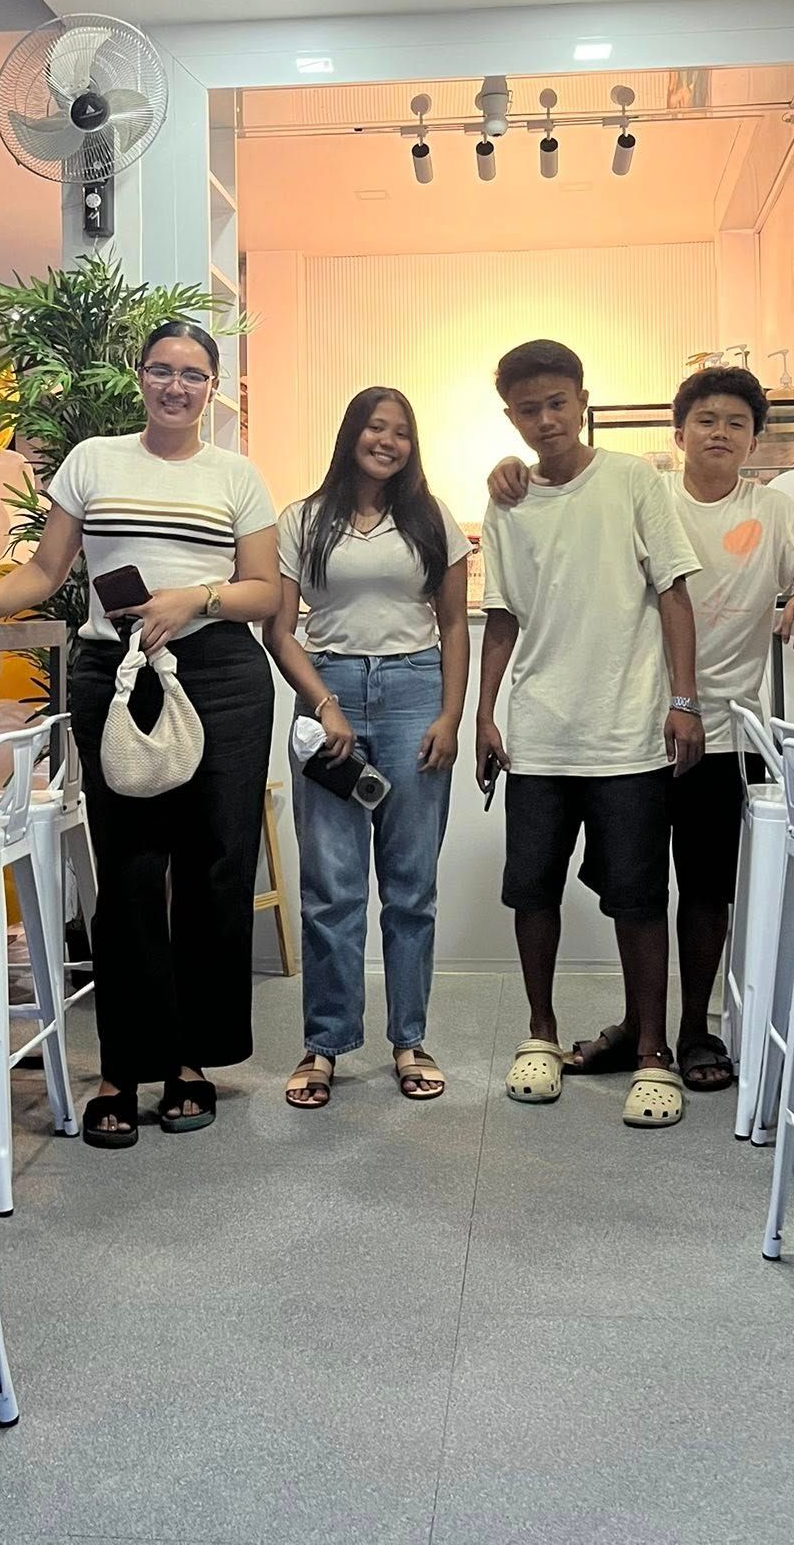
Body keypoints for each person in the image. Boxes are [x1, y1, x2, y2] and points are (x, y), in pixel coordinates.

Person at [0, 320, 279, 1147]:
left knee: (213, 870)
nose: (176, 386)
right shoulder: (93, 460)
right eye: (163, 370)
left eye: (193, 374)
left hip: (220, 677)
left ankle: (190, 1059)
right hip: (115, 676)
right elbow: (47, 573)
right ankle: (123, 1064)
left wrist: (197, 598)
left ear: (212, 387)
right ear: (140, 377)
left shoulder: (238, 476)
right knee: (125, 873)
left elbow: (263, 593)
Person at [488, 363, 794, 1093]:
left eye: (737, 424)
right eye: (706, 422)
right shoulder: (645, 490)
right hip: (638, 729)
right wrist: (514, 471)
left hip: (720, 730)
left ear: (755, 438)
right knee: (635, 886)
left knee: (705, 890)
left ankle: (690, 1031)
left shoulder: (773, 510)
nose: (720, 434)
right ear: (678, 433)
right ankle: (638, 1028)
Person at [476, 339, 703, 1131]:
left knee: (638, 897)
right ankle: (539, 1031)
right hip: (539, 734)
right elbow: (500, 615)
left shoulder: (637, 482)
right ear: (511, 416)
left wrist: (686, 700)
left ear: (582, 400)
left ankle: (652, 1049)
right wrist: (484, 712)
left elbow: (674, 594)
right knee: (531, 889)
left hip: (628, 730)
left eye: (557, 403)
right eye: (528, 409)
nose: (546, 420)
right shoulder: (505, 502)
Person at [265, 387, 470, 1110]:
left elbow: (454, 624)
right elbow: (281, 630)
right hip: (333, 692)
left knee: (411, 886)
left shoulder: (433, 518)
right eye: (377, 428)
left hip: (417, 692)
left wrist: (450, 715)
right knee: (331, 887)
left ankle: (409, 1040)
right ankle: (324, 1045)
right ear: (351, 432)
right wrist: (324, 704)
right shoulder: (301, 519)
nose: (389, 441)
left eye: (402, 432)